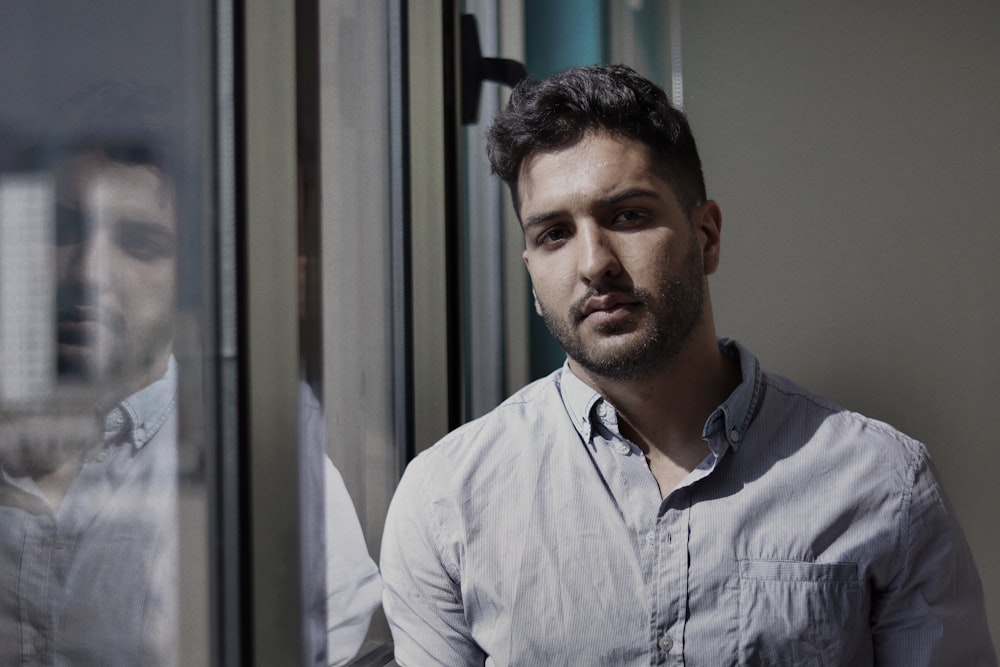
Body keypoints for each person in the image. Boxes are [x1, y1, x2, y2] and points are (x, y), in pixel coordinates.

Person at [380, 65, 996, 666]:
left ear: (707, 236)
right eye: (554, 234)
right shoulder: (446, 503)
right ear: (532, 270)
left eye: (627, 216)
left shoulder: (884, 481)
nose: (594, 263)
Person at [0, 85, 380, 665]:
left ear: (191, 280)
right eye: (67, 227)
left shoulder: (263, 471)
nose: (91, 272)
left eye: (140, 244)